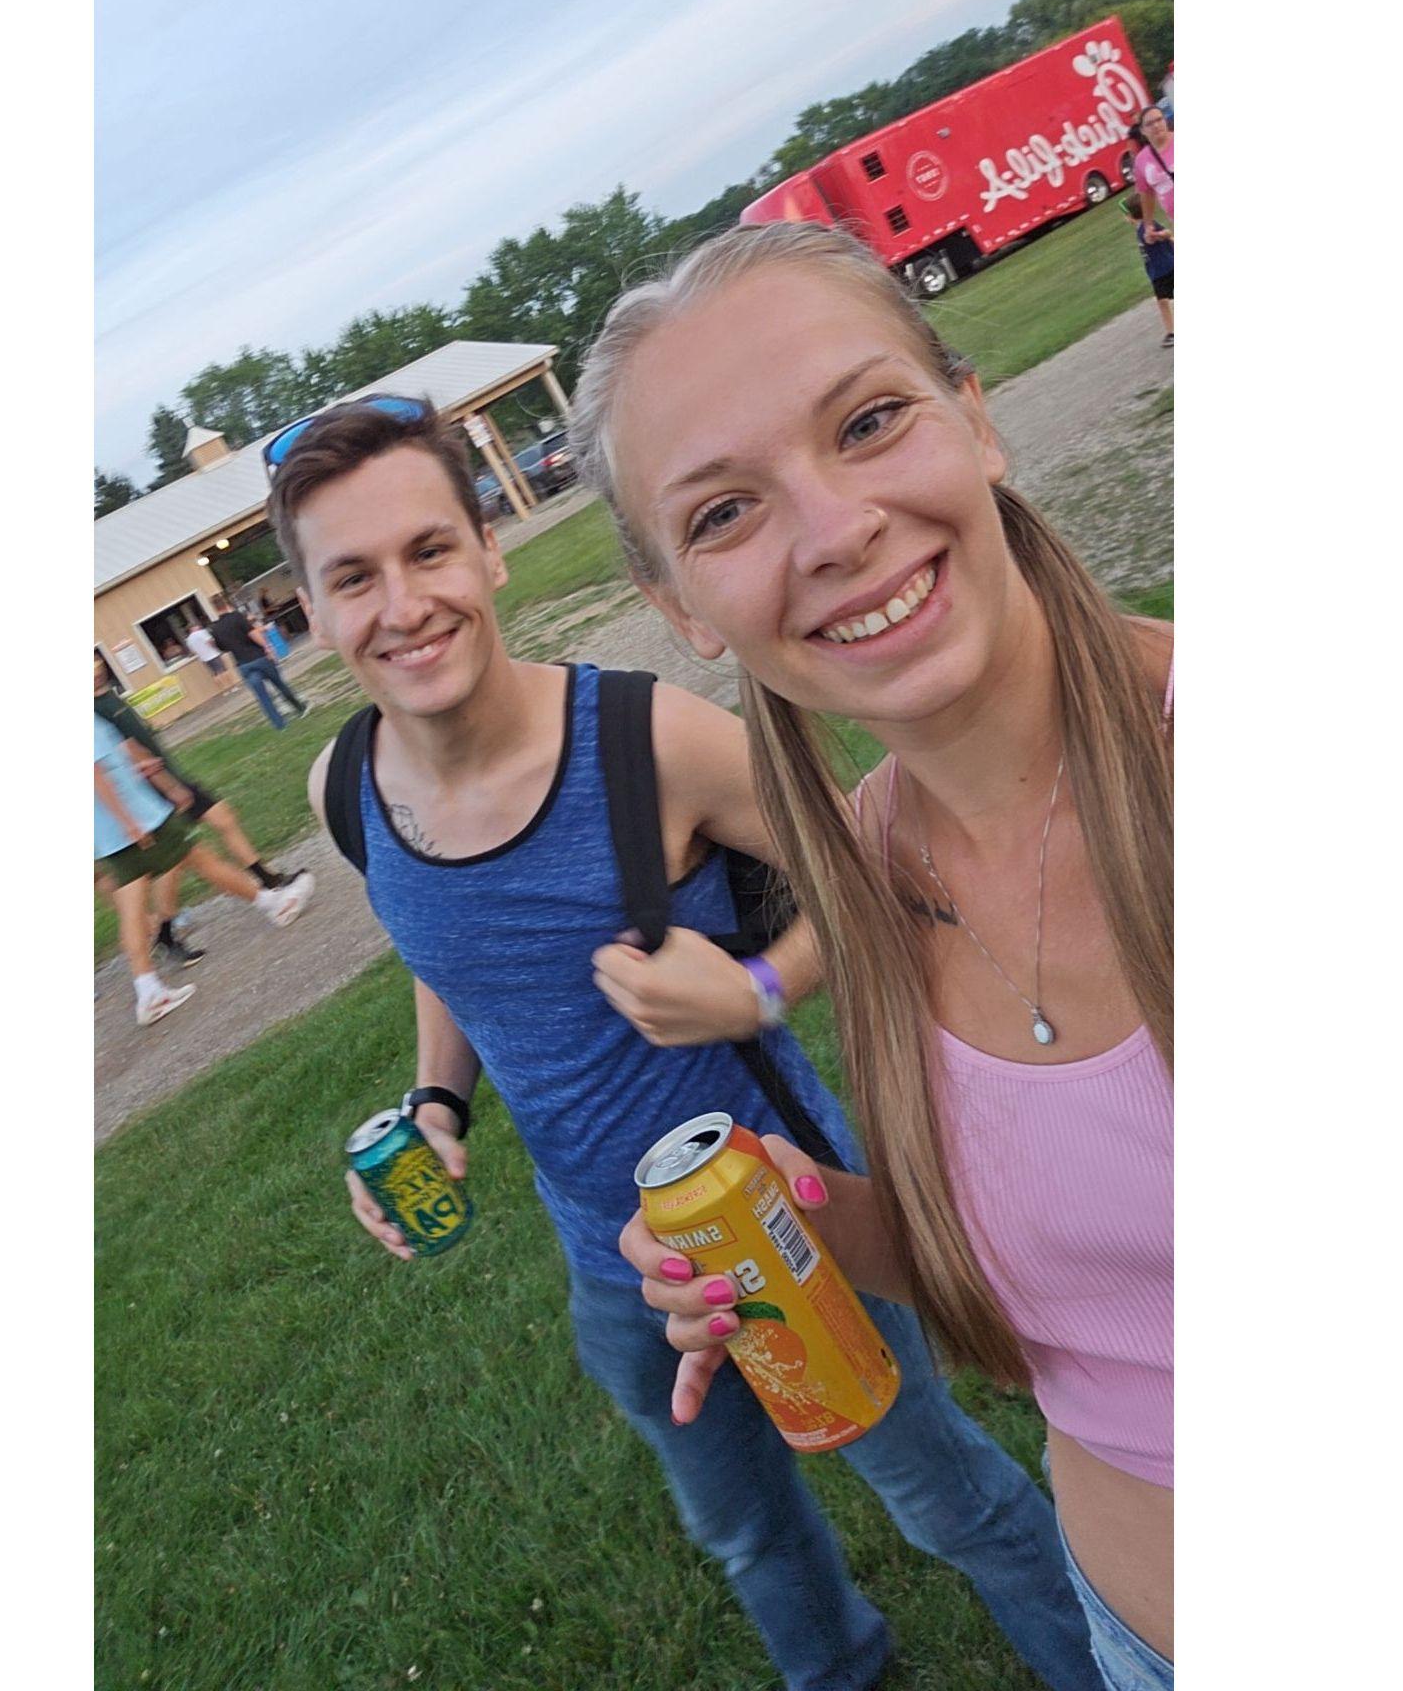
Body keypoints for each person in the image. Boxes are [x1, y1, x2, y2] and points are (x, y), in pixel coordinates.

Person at [263, 393, 1099, 1691]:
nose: (403, 604)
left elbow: (887, 868)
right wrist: (438, 1103)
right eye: (352, 578)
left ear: (489, 550)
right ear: (312, 616)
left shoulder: (645, 744)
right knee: (742, 1529)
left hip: (782, 1216)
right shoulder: (347, 789)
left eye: (428, 551)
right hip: (606, 1261)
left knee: (945, 1503)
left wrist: (755, 990)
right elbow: (454, 964)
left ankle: (1098, 1670)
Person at [570, 220, 1173, 1688]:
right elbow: (1064, 1285)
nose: (833, 530)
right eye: (723, 514)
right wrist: (800, 1217)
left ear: (977, 417)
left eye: (870, 421)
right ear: (679, 611)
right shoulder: (866, 872)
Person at [95, 712, 314, 1026]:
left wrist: (135, 771)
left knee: (133, 909)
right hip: (142, 822)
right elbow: (95, 774)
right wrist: (129, 822)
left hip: (111, 838)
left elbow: (107, 766)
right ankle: (275, 903)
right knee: (203, 860)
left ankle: (149, 991)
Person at [93, 653, 309, 970]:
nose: (95, 668)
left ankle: (153, 971)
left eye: (95, 660)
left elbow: (128, 747)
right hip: (145, 802)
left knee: (202, 844)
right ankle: (270, 899)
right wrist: (156, 795)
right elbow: (108, 767)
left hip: (152, 793)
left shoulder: (108, 700)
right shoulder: (91, 712)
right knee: (189, 860)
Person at [208, 593, 307, 730]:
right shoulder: (237, 617)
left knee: (263, 696)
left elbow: (222, 648)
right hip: (258, 657)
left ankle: (279, 724)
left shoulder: (215, 628)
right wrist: (267, 647)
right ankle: (300, 708)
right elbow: (253, 633)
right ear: (225, 604)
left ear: (214, 608)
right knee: (279, 685)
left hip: (243, 664)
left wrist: (213, 644)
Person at [1122, 194, 1173, 347]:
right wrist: (1161, 235)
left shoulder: (1145, 227)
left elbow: (1161, 235)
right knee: (1163, 301)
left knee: (1163, 302)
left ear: (1130, 216)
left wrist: (1155, 236)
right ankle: (1172, 332)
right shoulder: (1146, 225)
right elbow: (1168, 234)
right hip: (1162, 270)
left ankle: (1172, 333)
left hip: (1163, 271)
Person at [1131, 105, 1174, 242]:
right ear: (1143, 131)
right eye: (1149, 124)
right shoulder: (1141, 160)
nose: (1156, 125)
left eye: (1159, 120)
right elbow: (1146, 193)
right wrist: (1148, 225)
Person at [184, 617, 237, 694]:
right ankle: (232, 687)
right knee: (223, 671)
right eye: (196, 626)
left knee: (216, 674)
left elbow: (193, 651)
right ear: (193, 628)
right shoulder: (201, 632)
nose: (198, 627)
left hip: (204, 658)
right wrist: (217, 649)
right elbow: (210, 641)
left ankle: (225, 690)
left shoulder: (188, 640)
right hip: (213, 654)